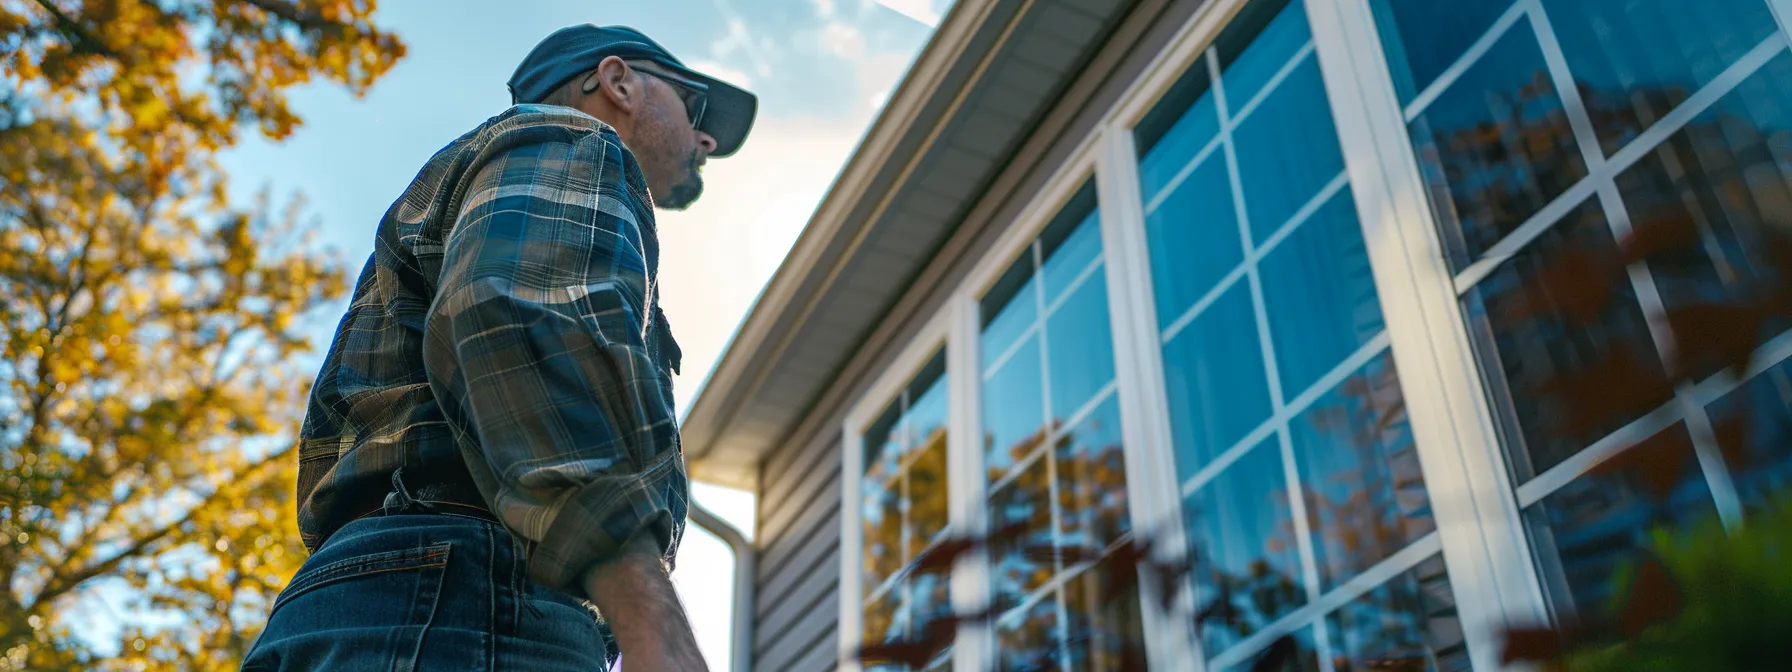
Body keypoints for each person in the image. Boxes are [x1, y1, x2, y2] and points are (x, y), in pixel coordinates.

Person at [243, 24, 756, 672]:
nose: (706, 139)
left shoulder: (469, 181)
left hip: (358, 606)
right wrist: (660, 637)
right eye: (696, 107)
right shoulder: (575, 140)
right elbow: (518, 323)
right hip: (466, 605)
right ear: (618, 81)